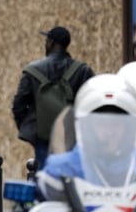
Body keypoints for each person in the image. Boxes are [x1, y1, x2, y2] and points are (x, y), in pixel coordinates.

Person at [37, 74, 136, 205]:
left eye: (117, 124)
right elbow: (37, 199)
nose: (109, 132)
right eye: (101, 124)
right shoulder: (64, 167)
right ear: (87, 128)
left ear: (130, 128)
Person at [11, 26, 95, 168]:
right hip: (72, 137)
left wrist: (32, 130)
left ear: (50, 43)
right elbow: (92, 102)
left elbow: (18, 105)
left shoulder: (32, 70)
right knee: (72, 176)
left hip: (43, 138)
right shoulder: (82, 70)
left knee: (45, 177)